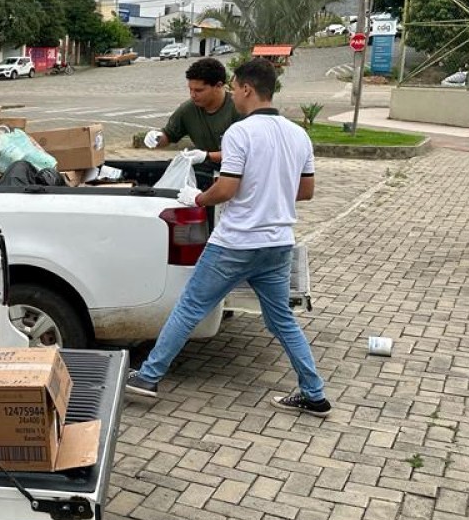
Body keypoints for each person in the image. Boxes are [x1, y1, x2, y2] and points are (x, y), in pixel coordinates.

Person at [127, 58, 331, 417]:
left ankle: (148, 377)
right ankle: (314, 393)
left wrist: (197, 198)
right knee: (281, 320)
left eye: (235, 88)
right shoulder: (298, 134)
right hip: (278, 243)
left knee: (190, 307)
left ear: (247, 89)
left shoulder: (240, 133)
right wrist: (269, 193)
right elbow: (306, 191)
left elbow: (226, 188)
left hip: (236, 242)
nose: (233, 94)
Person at [144, 58, 241, 168]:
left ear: (218, 86)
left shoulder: (240, 108)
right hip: (205, 169)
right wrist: (156, 138)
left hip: (238, 171)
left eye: (199, 90)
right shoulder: (188, 109)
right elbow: (169, 135)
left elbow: (244, 154)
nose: (193, 95)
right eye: (190, 89)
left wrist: (207, 156)